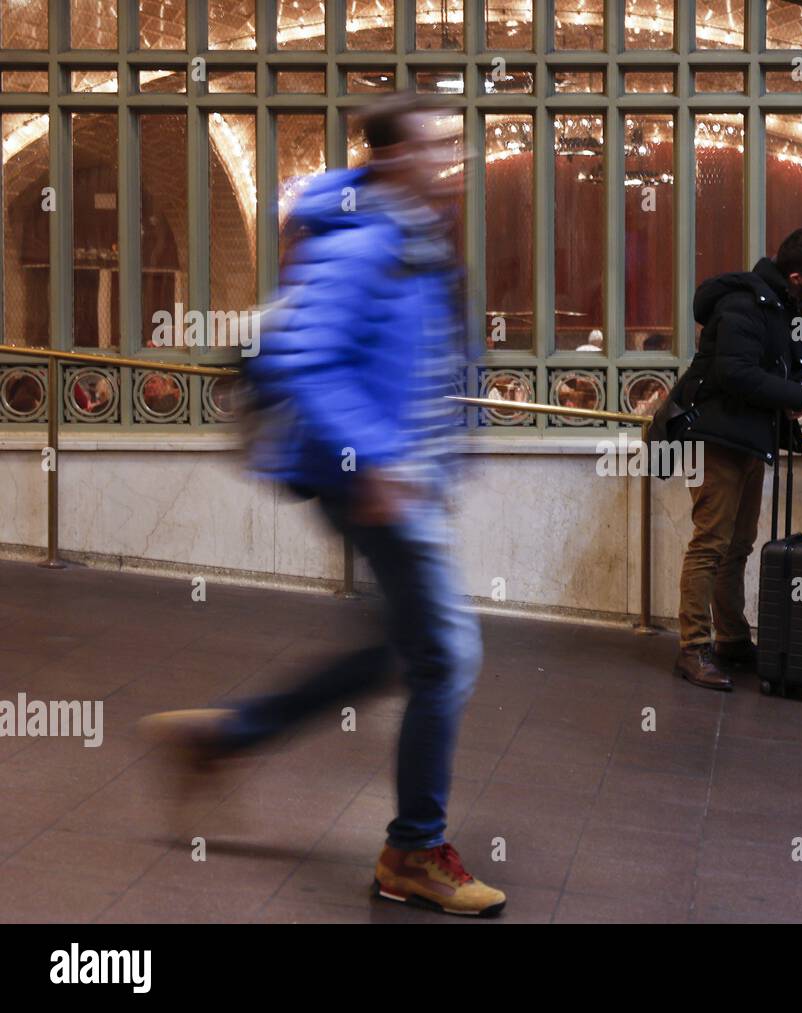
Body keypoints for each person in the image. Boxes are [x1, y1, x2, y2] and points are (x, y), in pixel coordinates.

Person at [140, 91, 506, 917]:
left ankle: (221, 736)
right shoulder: (367, 237)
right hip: (372, 480)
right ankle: (413, 851)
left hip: (398, 476)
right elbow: (306, 358)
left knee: (391, 653)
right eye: (430, 147)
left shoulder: (409, 236)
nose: (448, 161)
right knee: (447, 654)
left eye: (452, 146)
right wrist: (376, 461)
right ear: (386, 158)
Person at [656, 228, 802, 691]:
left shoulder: (784, 305)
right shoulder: (745, 302)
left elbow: (767, 372)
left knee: (738, 544)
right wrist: (797, 393)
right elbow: (734, 372)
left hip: (748, 437)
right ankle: (693, 648)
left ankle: (732, 639)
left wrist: (792, 401)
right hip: (715, 438)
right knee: (710, 544)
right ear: (798, 276)